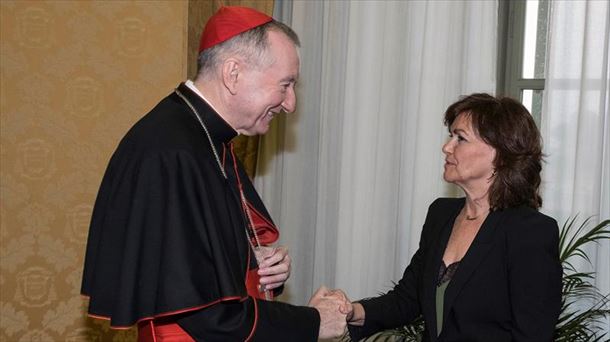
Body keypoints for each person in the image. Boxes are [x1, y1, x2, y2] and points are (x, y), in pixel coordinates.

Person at [81, 6, 348, 341]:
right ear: (233, 73)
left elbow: (202, 265)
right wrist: (314, 322)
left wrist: (253, 263)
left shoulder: (204, 138)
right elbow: (207, 314)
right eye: (286, 84)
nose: (290, 104)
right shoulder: (172, 154)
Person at [342, 93, 562, 341]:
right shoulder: (441, 213)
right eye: (451, 136)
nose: (447, 147)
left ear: (499, 154)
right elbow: (407, 300)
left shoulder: (530, 232)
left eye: (461, 138)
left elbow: (532, 335)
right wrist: (351, 312)